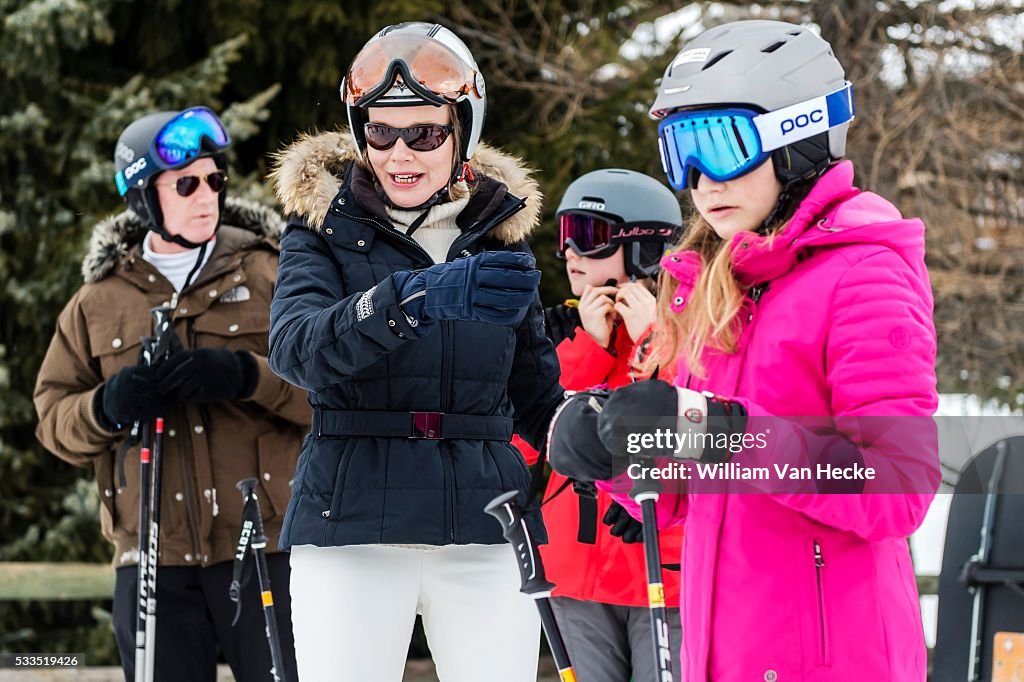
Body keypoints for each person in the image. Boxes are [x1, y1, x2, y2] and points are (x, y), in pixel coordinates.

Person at [546, 20, 940, 681]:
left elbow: (895, 484)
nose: (699, 180)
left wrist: (727, 433)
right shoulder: (710, 282)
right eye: (680, 151)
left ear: (798, 137)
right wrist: (618, 454)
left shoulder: (863, 274)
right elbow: (683, 496)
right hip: (718, 655)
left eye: (719, 144)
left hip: (835, 659)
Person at [267, 21, 564, 682]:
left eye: (424, 133)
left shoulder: (499, 237)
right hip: (351, 525)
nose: (400, 153)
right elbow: (295, 349)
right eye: (381, 131)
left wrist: (596, 443)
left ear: (462, 131)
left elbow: (537, 397)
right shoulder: (321, 231)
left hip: (486, 523)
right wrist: (416, 297)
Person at [34, 106, 309, 681]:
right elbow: (53, 419)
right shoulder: (99, 301)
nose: (206, 195)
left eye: (215, 179)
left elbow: (333, 392)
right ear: (142, 197)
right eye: (186, 184)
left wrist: (246, 377)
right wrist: (106, 405)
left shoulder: (271, 273)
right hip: (153, 561)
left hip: (265, 549)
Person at [512, 169, 685, 681]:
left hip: (667, 572)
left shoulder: (691, 326)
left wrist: (652, 338)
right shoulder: (560, 335)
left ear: (642, 247)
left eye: (588, 236)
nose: (570, 253)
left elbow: (701, 422)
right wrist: (586, 346)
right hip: (576, 570)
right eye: (566, 236)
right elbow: (526, 441)